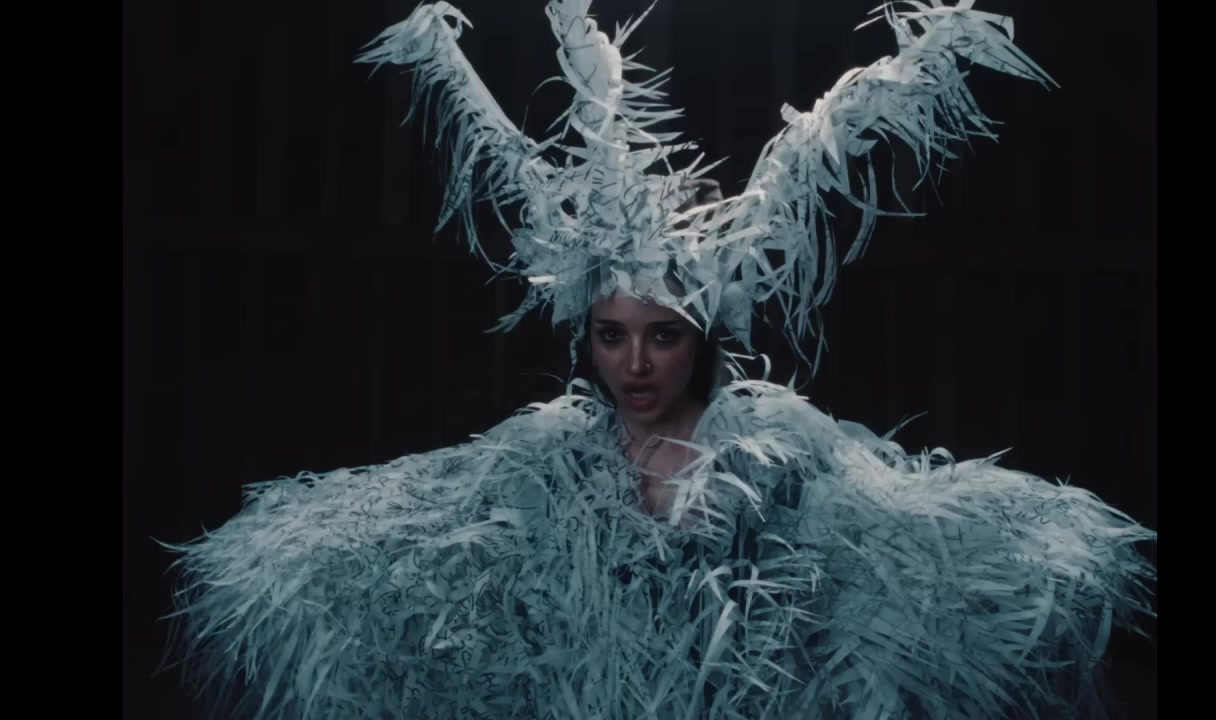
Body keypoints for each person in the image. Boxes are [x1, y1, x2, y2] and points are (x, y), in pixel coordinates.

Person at [159, 2, 1156, 718]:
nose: (635, 363)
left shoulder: (776, 448)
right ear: (586, 338)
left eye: (663, 334)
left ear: (702, 340)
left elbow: (878, 559)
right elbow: (451, 559)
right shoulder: (547, 455)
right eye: (611, 335)